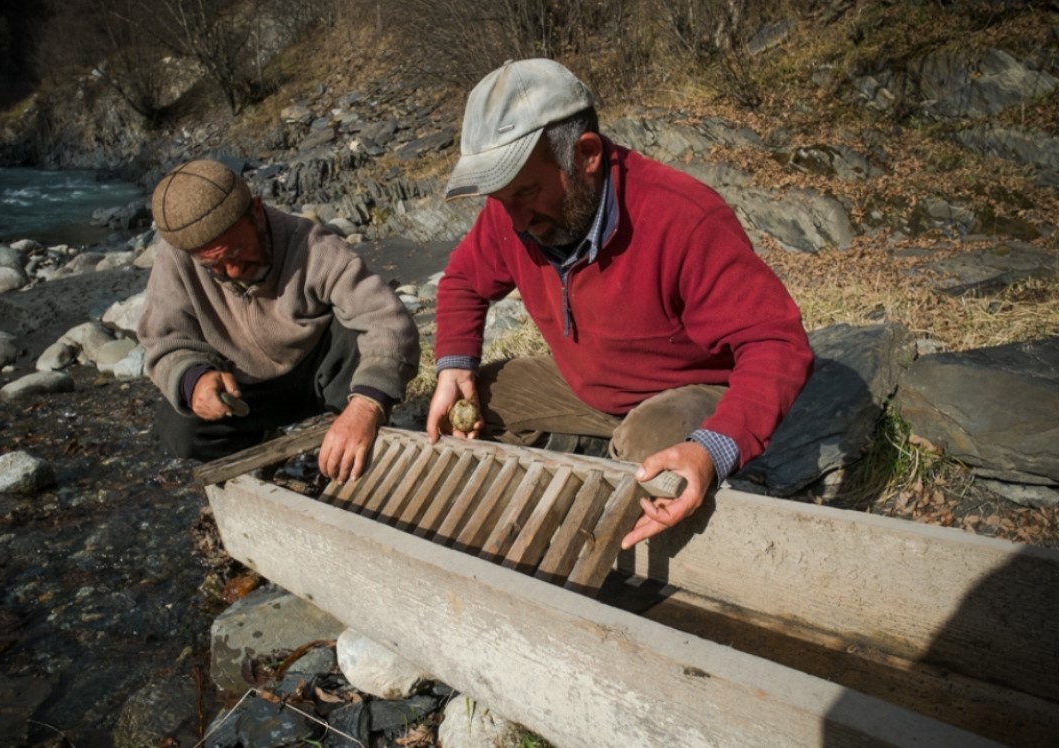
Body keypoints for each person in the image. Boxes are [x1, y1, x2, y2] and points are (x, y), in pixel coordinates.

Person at [426, 59, 813, 548]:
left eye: (525, 192)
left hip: (685, 388)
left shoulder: (682, 218)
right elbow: (462, 280)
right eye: (502, 200)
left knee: (649, 452)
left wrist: (712, 449)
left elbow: (776, 342)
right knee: (478, 396)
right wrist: (454, 365)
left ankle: (620, 558)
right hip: (586, 382)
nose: (516, 220)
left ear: (586, 154)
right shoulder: (513, 213)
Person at [138, 159, 420, 481]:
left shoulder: (313, 246)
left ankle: (351, 435)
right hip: (245, 393)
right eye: (214, 265)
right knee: (179, 428)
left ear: (256, 211)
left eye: (238, 251)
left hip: (320, 377)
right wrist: (194, 379)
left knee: (357, 336)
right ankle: (263, 448)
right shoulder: (177, 259)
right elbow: (164, 340)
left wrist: (367, 405)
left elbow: (388, 321)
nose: (233, 271)